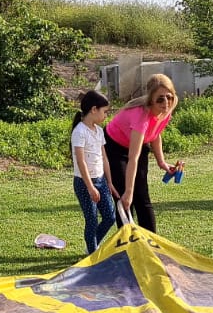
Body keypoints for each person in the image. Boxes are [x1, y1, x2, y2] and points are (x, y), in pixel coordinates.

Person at [103, 74, 180, 233]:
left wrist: (162, 162)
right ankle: (128, 246)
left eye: (169, 97)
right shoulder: (141, 117)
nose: (166, 102)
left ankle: (151, 244)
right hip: (114, 147)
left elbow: (156, 133)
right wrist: (128, 192)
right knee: (124, 198)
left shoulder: (167, 109)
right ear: (150, 99)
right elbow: (133, 158)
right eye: (160, 99)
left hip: (138, 144)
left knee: (142, 197)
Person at [70, 90, 116, 254]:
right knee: (91, 220)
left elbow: (104, 158)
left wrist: (109, 182)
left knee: (110, 217)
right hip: (84, 183)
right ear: (94, 109)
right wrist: (90, 187)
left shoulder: (99, 131)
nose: (106, 116)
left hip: (101, 180)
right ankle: (92, 254)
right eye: (105, 112)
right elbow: (81, 161)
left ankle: (92, 245)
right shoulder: (79, 132)